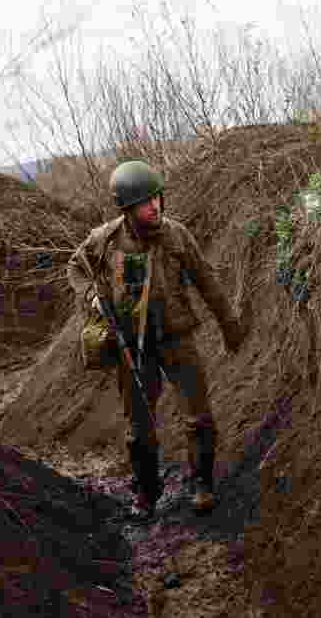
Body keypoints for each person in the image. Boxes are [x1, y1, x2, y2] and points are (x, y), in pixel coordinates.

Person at [67, 159, 247, 521]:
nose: (155, 207)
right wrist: (91, 297)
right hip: (133, 347)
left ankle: (202, 484)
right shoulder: (104, 239)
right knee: (139, 428)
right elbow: (76, 266)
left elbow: (206, 282)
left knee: (198, 417)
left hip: (177, 338)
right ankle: (147, 493)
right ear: (127, 208)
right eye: (145, 202)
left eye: (157, 198)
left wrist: (229, 324)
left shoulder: (177, 235)